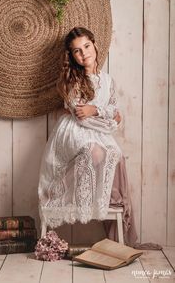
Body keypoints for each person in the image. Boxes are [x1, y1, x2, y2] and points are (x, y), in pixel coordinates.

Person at [38, 26, 135, 244]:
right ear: (71, 56)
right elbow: (82, 115)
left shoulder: (108, 81)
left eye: (86, 46)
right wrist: (103, 114)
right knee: (94, 152)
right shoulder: (72, 79)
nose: (84, 53)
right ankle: (57, 192)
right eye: (77, 51)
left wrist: (98, 110)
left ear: (95, 45)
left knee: (114, 153)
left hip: (99, 133)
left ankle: (109, 202)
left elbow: (116, 114)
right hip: (74, 130)